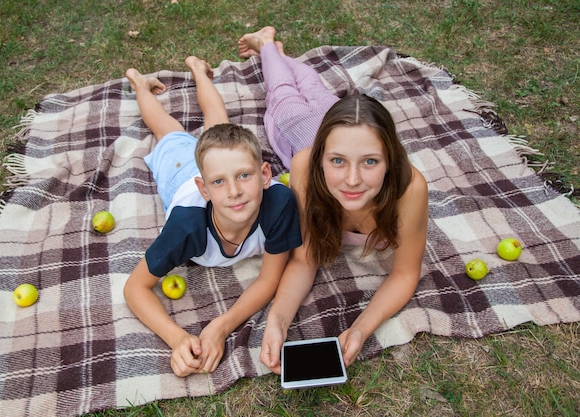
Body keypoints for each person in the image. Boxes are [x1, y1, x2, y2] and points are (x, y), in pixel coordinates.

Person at [238, 27, 429, 372]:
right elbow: (305, 258)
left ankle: (278, 51)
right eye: (337, 161)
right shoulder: (305, 169)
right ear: (321, 159)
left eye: (370, 162)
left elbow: (404, 275)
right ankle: (267, 44)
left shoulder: (410, 187)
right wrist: (277, 322)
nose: (352, 180)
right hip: (296, 126)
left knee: (314, 89)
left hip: (334, 114)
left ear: (390, 159)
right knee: (282, 92)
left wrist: (360, 329)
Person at [123, 56, 302, 378]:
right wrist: (177, 338)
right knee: (169, 132)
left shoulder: (280, 203)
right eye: (219, 183)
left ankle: (197, 70)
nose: (234, 191)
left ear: (264, 174)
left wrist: (221, 326)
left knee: (218, 125)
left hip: (215, 163)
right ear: (204, 189)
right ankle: (139, 81)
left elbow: (269, 278)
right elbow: (135, 288)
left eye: (245, 176)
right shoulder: (186, 226)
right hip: (180, 172)